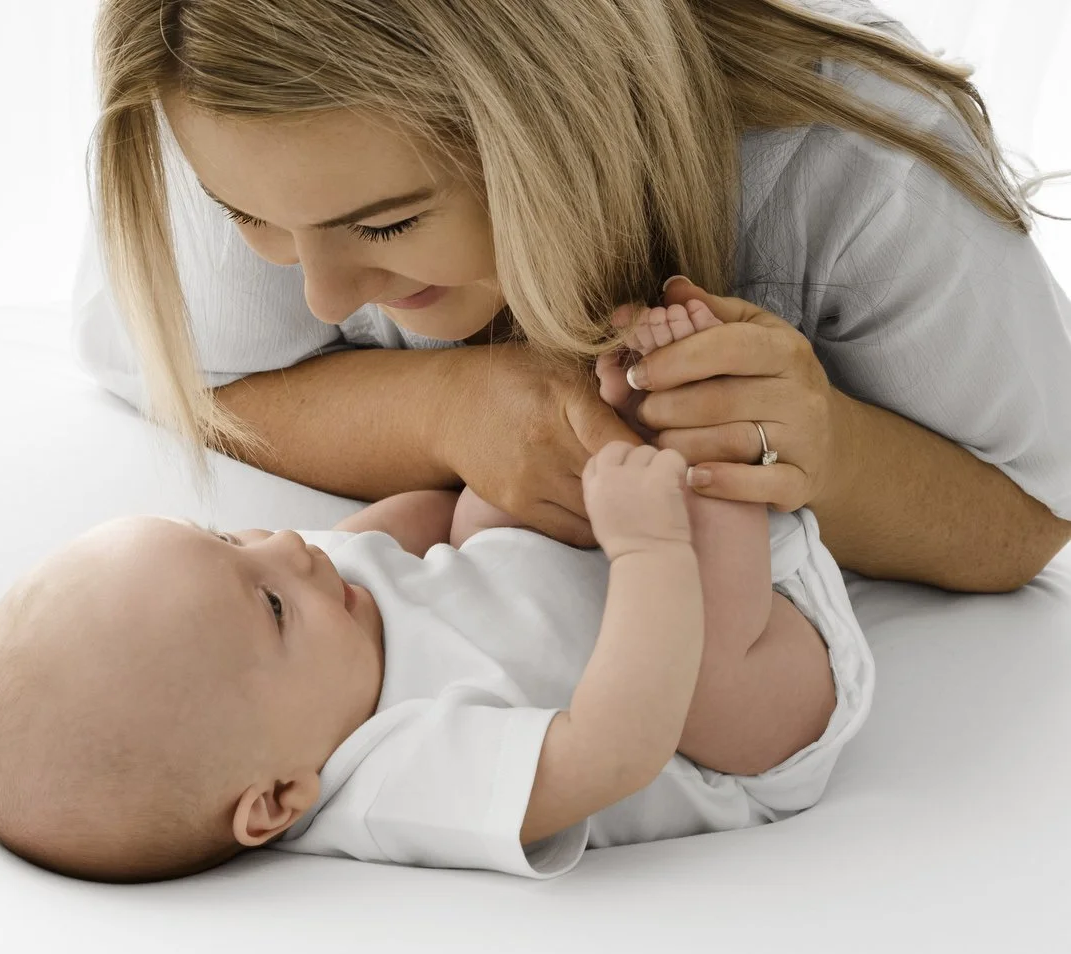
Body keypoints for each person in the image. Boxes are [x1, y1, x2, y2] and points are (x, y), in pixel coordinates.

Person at [74, 0, 1071, 611]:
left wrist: (828, 452)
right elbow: (178, 373)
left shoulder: (857, 161)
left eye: (384, 229)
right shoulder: (219, 99)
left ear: (550, 129)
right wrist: (440, 410)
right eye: (252, 222)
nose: (319, 293)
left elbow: (1032, 520)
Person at [0, 438, 873, 882]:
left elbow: (411, 529)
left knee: (481, 512)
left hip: (607, 575)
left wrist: (510, 473)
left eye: (224, 535)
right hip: (738, 727)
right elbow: (614, 750)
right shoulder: (397, 780)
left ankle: (669, 433)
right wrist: (647, 551)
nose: (284, 545)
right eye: (270, 603)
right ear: (277, 801)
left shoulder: (308, 608)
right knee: (711, 693)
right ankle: (719, 454)